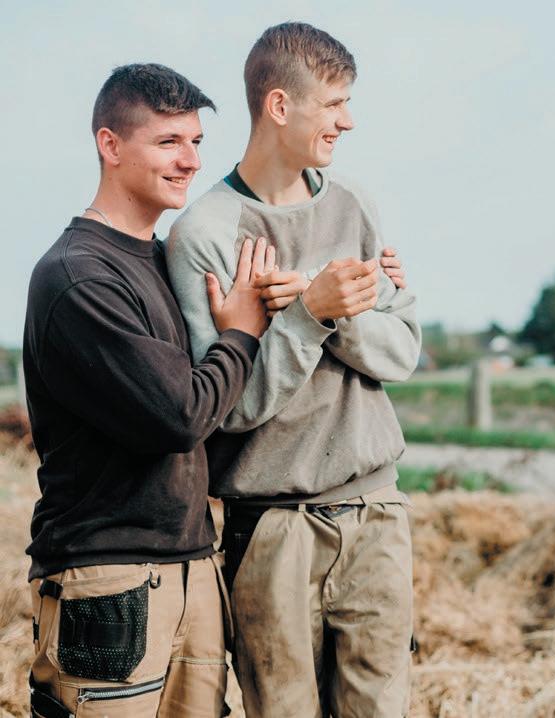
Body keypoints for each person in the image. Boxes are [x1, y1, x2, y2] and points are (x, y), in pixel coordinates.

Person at [166, 22, 421, 717]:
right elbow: (229, 408)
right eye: (334, 103)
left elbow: (402, 351)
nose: (348, 120)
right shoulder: (204, 235)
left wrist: (320, 305)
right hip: (272, 530)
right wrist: (309, 315)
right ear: (280, 106)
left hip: (377, 512)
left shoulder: (354, 203)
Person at [23, 63, 268, 716]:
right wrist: (241, 334)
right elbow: (179, 416)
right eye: (168, 142)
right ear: (110, 144)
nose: (191, 161)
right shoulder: (79, 277)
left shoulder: (166, 261)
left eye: (196, 142)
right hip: (110, 579)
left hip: (193, 569)